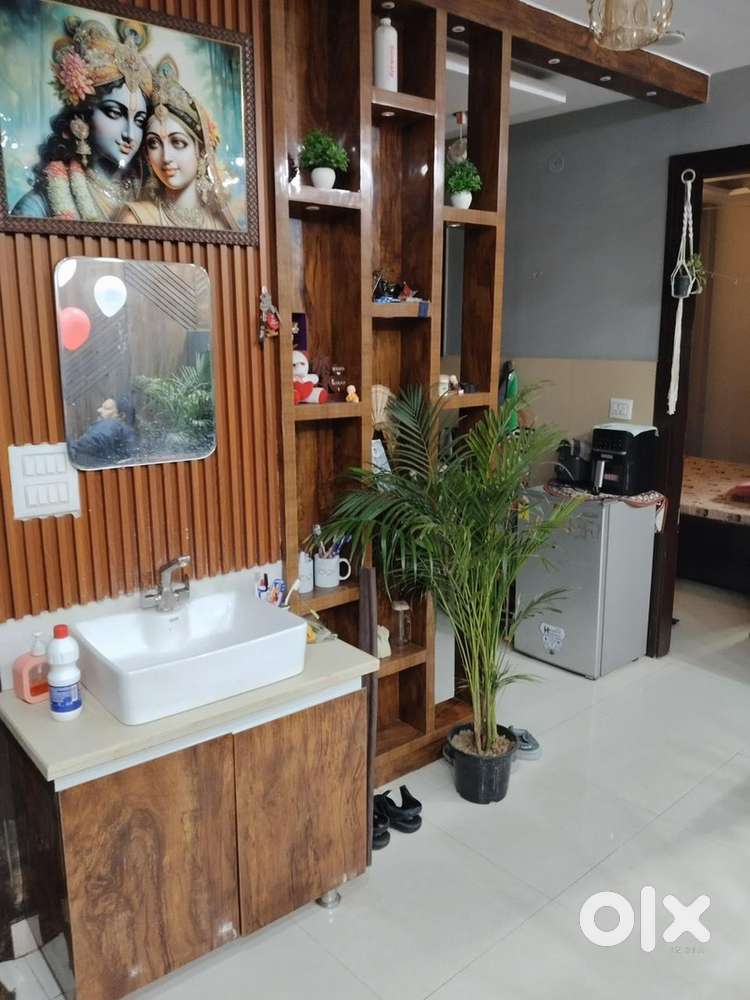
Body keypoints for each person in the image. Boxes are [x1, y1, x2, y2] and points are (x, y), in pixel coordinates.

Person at [12, 17, 153, 221]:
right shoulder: (39, 204)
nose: (130, 134)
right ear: (83, 118)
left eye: (139, 121)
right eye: (114, 113)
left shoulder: (150, 194)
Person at [118, 57, 238, 231]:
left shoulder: (218, 226)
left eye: (178, 142)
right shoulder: (136, 219)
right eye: (154, 143)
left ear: (201, 150)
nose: (166, 157)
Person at [69, 397, 137, 469]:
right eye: (101, 407)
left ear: (121, 416)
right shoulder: (126, 431)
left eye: (106, 408)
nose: (99, 410)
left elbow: (91, 442)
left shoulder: (112, 424)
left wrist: (68, 447)